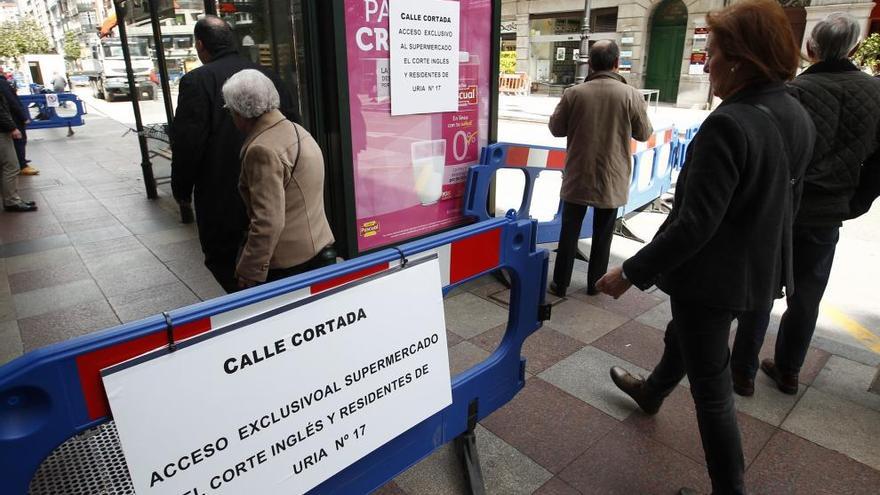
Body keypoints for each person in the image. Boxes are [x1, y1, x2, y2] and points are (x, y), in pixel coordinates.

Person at [596, 1, 815, 493]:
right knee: (689, 338)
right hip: (759, 272)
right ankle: (652, 392)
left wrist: (629, 271)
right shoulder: (796, 111)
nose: (705, 63)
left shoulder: (728, 124)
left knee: (712, 388)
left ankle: (728, 487)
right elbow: (788, 202)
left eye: (711, 54)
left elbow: (695, 223)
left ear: (739, 60)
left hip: (713, 277)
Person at [731, 13, 880, 396]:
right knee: (807, 297)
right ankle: (788, 370)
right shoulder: (875, 93)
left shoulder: (795, 91)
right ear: (855, 47)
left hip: (783, 209)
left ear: (811, 48)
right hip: (830, 211)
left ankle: (743, 371)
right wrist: (856, 202)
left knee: (762, 288)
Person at [171, 15, 298, 293]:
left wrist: (181, 189)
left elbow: (187, 143)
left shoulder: (197, 81)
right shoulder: (268, 75)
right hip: (275, 188)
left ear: (200, 45)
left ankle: (248, 304)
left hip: (221, 194)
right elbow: (293, 124)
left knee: (225, 262)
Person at [547, 40, 653, 297]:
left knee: (569, 230)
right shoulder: (631, 95)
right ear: (617, 64)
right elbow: (644, 133)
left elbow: (556, 129)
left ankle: (560, 284)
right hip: (612, 176)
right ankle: (596, 284)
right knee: (603, 233)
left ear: (591, 64)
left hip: (578, 174)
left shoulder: (574, 93)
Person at [221, 70, 335, 289]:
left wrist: (250, 269)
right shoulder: (295, 129)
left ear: (240, 111)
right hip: (316, 246)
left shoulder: (262, 149)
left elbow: (267, 221)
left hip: (288, 263)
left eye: (230, 110)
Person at [1, 88, 37, 212]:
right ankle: (11, 201)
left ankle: (10, 199)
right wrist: (12, 127)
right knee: (11, 166)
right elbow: (2, 110)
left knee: (5, 167)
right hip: (2, 131)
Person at [0, 78, 39, 176]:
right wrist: (23, 117)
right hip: (11, 118)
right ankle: (22, 165)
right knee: (19, 140)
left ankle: (20, 162)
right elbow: (12, 101)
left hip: (8, 118)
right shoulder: (2, 83)